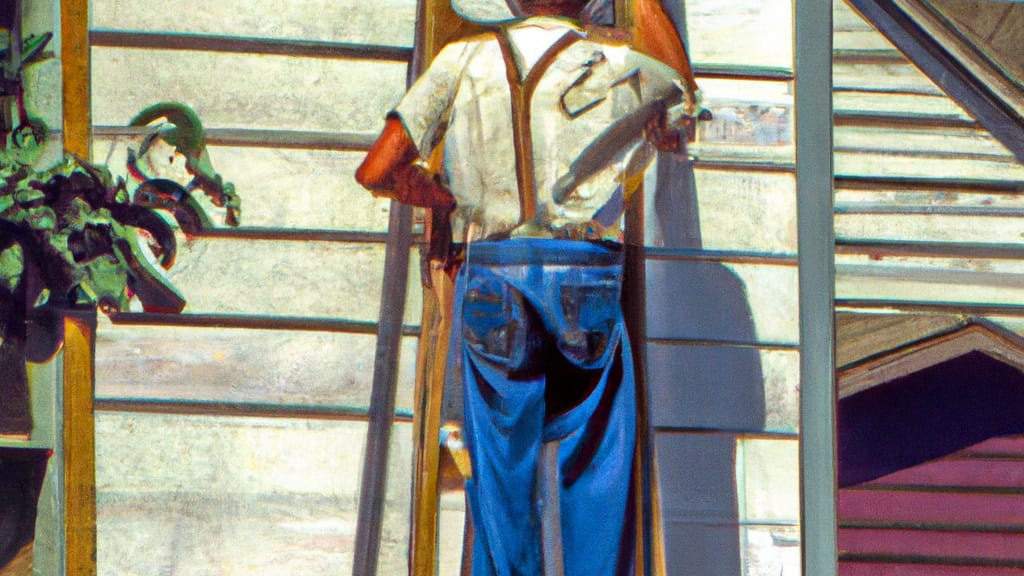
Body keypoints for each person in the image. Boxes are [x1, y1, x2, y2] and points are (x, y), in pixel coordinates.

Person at [356, 0, 696, 573]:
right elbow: (680, 96)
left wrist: (444, 197)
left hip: (494, 269)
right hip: (587, 269)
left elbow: (376, 170)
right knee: (597, 470)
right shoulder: (611, 58)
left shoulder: (462, 58)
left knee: (500, 473)